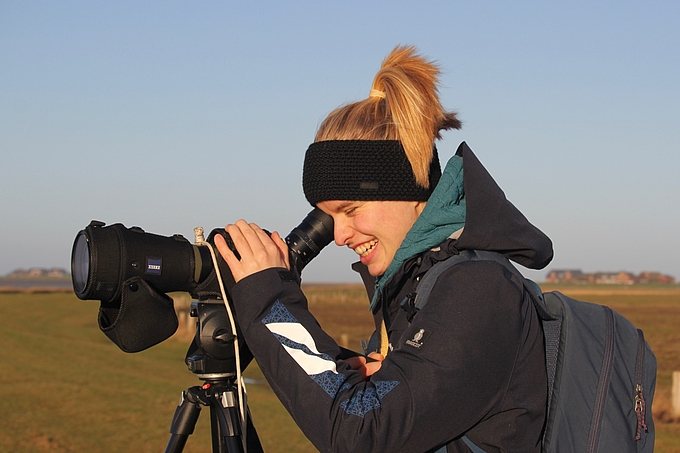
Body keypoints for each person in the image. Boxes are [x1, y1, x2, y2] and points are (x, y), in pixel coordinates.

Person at [214, 46, 552, 453]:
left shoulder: (478, 288)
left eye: (350, 209)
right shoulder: (421, 287)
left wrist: (267, 301)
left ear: (407, 189)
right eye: (327, 217)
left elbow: (362, 432)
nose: (338, 236)